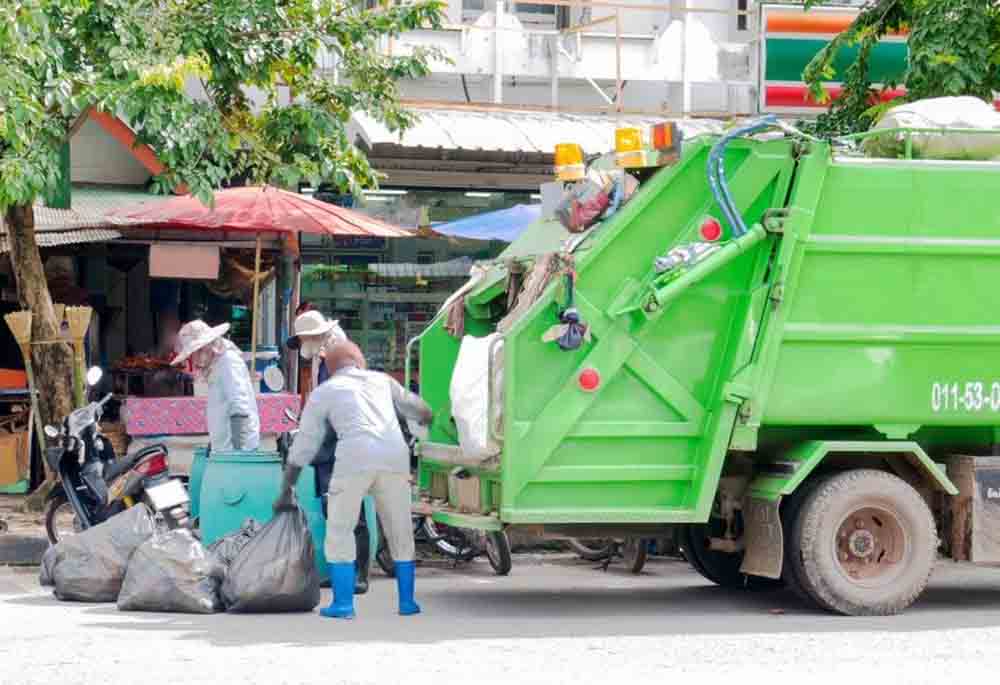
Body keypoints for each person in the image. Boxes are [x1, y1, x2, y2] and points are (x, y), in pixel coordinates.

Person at [274, 340, 433, 619]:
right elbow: (420, 410)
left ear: (330, 367)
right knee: (400, 529)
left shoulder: (326, 391)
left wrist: (287, 486)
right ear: (359, 362)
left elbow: (304, 445)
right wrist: (426, 422)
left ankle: (343, 604)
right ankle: (407, 602)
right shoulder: (382, 380)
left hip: (355, 458)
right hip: (395, 456)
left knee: (340, 529)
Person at [284, 310, 371, 595]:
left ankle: (358, 575)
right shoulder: (326, 358)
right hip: (330, 448)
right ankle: (342, 571)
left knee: (350, 512)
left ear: (315, 336)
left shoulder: (340, 360)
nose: (303, 348)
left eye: (304, 339)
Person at [172, 320, 261, 451]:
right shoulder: (217, 363)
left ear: (205, 347)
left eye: (195, 352)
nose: (194, 358)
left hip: (236, 449)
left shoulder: (228, 361)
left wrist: (239, 451)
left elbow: (239, 405)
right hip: (225, 448)